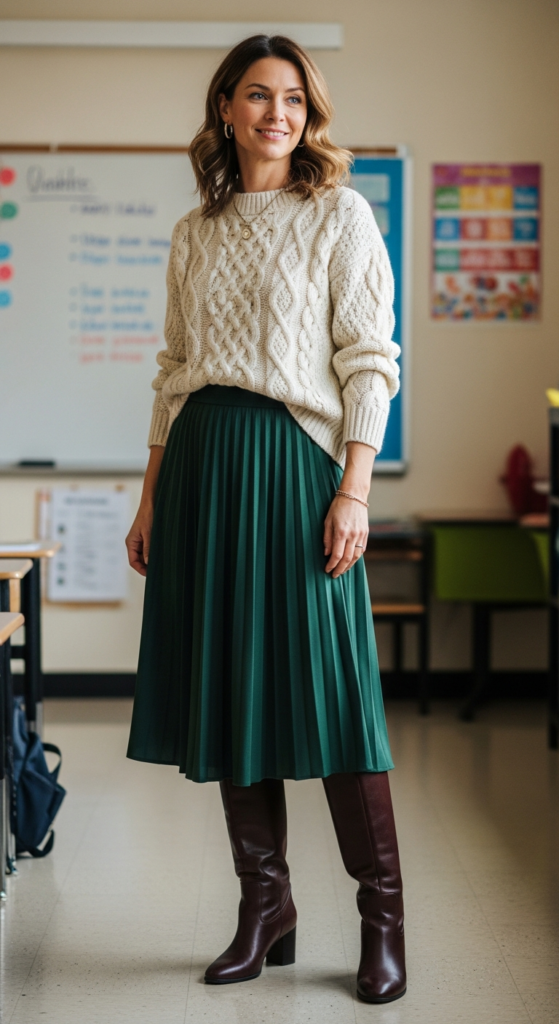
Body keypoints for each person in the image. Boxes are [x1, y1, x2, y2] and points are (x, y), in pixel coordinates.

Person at [125, 34, 405, 1005]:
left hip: (298, 470)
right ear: (226, 109)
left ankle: (381, 919)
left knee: (332, 703)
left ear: (308, 113)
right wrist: (152, 492)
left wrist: (355, 488)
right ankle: (265, 907)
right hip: (203, 467)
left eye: (292, 97)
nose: (275, 112)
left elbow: (370, 358)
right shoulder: (193, 231)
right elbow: (172, 371)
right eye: (256, 95)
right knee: (234, 695)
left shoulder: (338, 213)